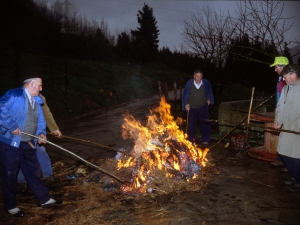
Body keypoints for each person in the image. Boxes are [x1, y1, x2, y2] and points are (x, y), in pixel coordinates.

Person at [0, 75, 62, 217]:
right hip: (10, 143)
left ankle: (43, 199)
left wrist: (41, 133)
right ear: (32, 84)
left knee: (33, 172)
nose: (41, 88)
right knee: (9, 174)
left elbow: (40, 120)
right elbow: (0, 108)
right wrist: (11, 125)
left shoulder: (37, 100)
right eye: (40, 85)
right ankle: (10, 205)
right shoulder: (14, 95)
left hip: (28, 142)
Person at [18, 94, 62, 186]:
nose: (41, 88)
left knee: (41, 151)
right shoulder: (18, 97)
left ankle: (48, 175)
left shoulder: (40, 98)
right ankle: (21, 181)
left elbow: (46, 114)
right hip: (21, 132)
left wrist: (54, 129)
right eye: (39, 85)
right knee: (22, 155)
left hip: (38, 130)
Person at [274, 64, 300, 192]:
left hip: (297, 128)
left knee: (296, 156)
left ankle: (299, 180)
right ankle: (295, 176)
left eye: (285, 76)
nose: (283, 79)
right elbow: (280, 107)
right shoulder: (286, 89)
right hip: (286, 127)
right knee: (284, 153)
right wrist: (278, 121)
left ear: (293, 74)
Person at [182, 69, 214, 145]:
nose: (198, 78)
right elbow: (185, 95)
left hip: (203, 106)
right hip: (192, 107)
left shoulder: (206, 83)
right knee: (191, 125)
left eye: (200, 76)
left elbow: (209, 92)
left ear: (202, 76)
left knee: (205, 123)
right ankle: (192, 140)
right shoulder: (189, 84)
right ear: (194, 76)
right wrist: (186, 104)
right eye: (197, 76)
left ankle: (205, 140)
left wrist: (209, 99)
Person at [269, 56, 289, 168]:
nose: (275, 69)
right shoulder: (280, 79)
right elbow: (279, 95)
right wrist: (277, 106)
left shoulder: (289, 81)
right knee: (282, 136)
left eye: (276, 66)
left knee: (288, 136)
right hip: (281, 110)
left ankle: (289, 164)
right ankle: (281, 159)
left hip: (287, 112)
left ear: (283, 66)